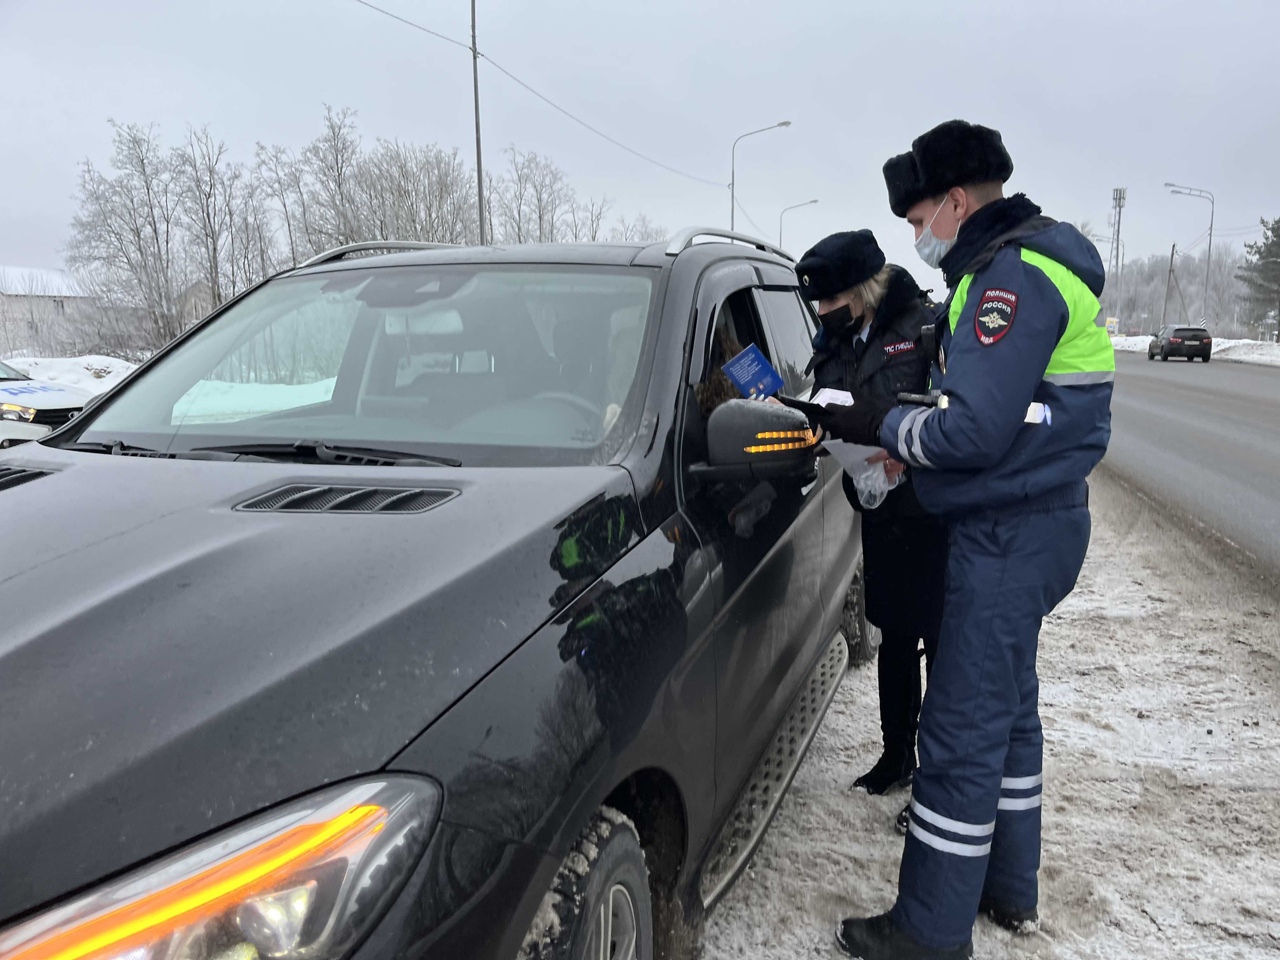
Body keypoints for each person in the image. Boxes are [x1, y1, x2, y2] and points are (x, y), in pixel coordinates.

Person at [803, 120, 1114, 959]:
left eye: (917, 221)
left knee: (961, 732)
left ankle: (928, 929)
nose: (916, 237)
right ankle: (1009, 890)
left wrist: (885, 422)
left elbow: (970, 430)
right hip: (1035, 517)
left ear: (954, 201)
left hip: (1008, 528)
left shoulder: (1009, 276)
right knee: (1010, 719)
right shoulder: (1024, 262)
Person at [795, 231, 947, 803]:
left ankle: (938, 780)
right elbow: (828, 404)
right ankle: (895, 757)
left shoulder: (923, 327)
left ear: (859, 292)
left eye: (830, 303)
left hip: (932, 513)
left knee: (942, 648)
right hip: (880, 513)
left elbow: (953, 413)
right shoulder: (831, 344)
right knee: (896, 640)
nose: (821, 313)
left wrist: (906, 449)